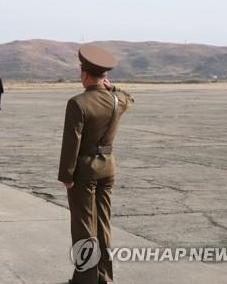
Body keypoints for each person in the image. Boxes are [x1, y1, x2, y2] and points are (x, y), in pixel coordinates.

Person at [58, 44, 134, 284]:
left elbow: (72, 143)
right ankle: (102, 275)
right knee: (103, 223)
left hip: (85, 171)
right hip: (108, 167)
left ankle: (86, 279)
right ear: (105, 77)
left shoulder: (78, 103)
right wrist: (113, 87)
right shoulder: (116, 100)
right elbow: (129, 97)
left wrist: (66, 176)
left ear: (84, 74)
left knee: (83, 227)